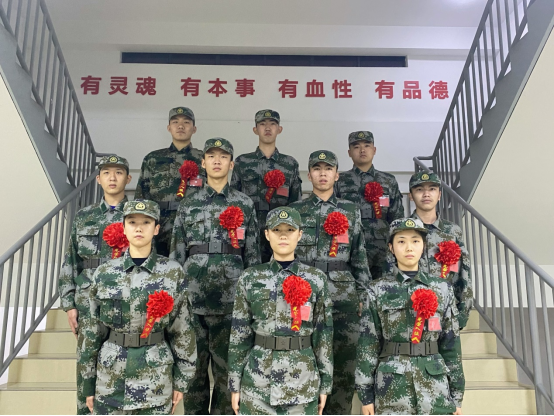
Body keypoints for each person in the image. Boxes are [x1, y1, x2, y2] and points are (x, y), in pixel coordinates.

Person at [170, 138, 261, 415]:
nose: (217, 160)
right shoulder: (189, 204)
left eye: (223, 156)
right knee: (193, 374)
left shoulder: (244, 204)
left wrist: (253, 300)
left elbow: (253, 256)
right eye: (212, 156)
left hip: (232, 304)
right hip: (192, 302)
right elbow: (177, 253)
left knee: (227, 375)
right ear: (203, 162)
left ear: (232, 164)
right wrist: (175, 299)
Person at [80, 199, 197, 415]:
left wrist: (182, 379)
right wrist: (87, 383)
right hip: (110, 379)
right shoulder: (105, 273)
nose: (139, 228)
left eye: (146, 222)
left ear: (156, 229)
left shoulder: (172, 272)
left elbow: (182, 330)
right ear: (123, 228)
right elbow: (91, 332)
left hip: (155, 380)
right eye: (132, 222)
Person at [228, 206, 334, 415]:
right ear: (267, 234)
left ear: (300, 234)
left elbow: (323, 336)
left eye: (290, 230)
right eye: (277, 230)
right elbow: (239, 335)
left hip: (303, 382)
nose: (283, 236)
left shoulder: (316, 279)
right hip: (258, 384)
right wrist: (234, 384)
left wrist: (325, 384)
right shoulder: (250, 278)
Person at [289, 150, 371, 415]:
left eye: (328, 169)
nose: (322, 173)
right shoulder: (295, 212)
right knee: (305, 362)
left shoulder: (350, 210)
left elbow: (359, 256)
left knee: (344, 367)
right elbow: (286, 257)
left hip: (343, 298)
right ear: (309, 175)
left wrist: (363, 296)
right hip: (304, 297)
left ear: (337, 175)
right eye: (316, 168)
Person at [355, 218, 465, 415]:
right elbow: (368, 345)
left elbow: (451, 344)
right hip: (392, 387)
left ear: (423, 246)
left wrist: (456, 395)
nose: (409, 247)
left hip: (434, 386)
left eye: (415, 241)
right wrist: (366, 395)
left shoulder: (442, 289)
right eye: (401, 241)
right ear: (391, 247)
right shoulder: (377, 290)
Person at [58, 154, 131, 415]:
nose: (113, 178)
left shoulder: (137, 216)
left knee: (122, 365)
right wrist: (69, 303)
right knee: (86, 365)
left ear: (128, 178)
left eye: (119, 172)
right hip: (88, 302)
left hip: (125, 301)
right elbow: (71, 260)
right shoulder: (84, 216)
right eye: (107, 173)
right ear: (98, 179)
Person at [230, 109, 303, 262]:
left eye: (272, 124)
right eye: (262, 124)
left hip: (280, 232)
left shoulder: (290, 164)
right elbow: (234, 200)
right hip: (250, 230)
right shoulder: (243, 162)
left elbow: (296, 204)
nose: (268, 128)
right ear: (255, 130)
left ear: (279, 129)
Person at [135, 106, 204, 256]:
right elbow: (141, 195)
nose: (180, 126)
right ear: (169, 128)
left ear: (194, 129)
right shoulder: (153, 158)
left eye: (186, 122)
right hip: (159, 225)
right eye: (175, 122)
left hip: (192, 224)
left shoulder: (203, 159)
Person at [408, 171, 473, 329]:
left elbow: (463, 272)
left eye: (432, 189)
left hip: (446, 311)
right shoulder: (402, 230)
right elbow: (391, 270)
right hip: (410, 311)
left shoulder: (452, 231)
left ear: (439, 195)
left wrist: (463, 312)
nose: (426, 194)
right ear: (411, 196)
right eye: (419, 189)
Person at [335, 131, 404, 279]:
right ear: (349, 152)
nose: (362, 150)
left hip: (383, 247)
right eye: (356, 147)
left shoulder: (388, 180)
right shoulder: (339, 180)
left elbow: (397, 218)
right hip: (351, 245)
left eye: (367, 145)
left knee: (384, 287)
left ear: (374, 150)